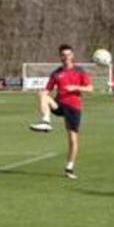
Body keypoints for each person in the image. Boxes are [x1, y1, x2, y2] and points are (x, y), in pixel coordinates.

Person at [29, 45, 93, 179]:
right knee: (42, 95)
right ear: (60, 57)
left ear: (72, 56)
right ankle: (46, 121)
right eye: (63, 55)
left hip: (74, 107)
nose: (66, 57)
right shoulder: (56, 73)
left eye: (69, 54)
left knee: (72, 139)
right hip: (59, 105)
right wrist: (42, 95)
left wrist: (74, 87)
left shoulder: (80, 71)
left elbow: (90, 88)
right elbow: (47, 90)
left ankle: (69, 167)